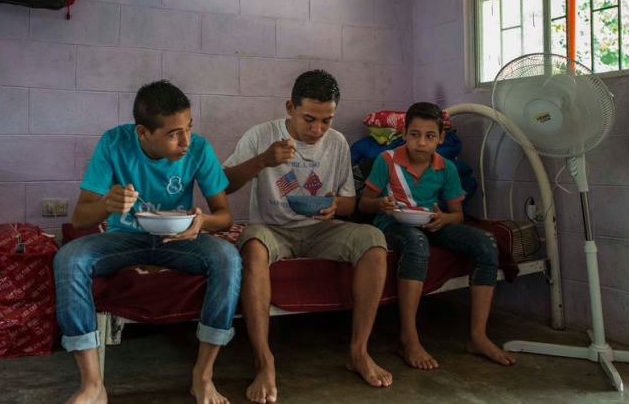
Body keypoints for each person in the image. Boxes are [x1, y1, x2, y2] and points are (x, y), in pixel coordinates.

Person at [54, 80, 241, 404]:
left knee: (227, 257)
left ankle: (203, 375)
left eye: (189, 128)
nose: (186, 141)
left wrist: (202, 222)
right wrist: (107, 205)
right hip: (124, 238)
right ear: (143, 132)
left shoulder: (199, 149)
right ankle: (93, 385)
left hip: (179, 239)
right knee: (69, 259)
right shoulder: (113, 143)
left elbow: (224, 217)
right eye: (173, 133)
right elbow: (80, 219)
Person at [223, 70, 392, 404]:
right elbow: (223, 184)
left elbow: (348, 202)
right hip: (272, 230)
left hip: (320, 229)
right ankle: (264, 360)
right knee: (253, 245)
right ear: (290, 107)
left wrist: (334, 206)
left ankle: (358, 351)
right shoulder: (262, 136)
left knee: (373, 240)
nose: (317, 130)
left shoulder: (338, 142)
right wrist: (262, 160)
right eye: (309, 119)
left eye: (326, 120)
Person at [357, 102, 516, 369]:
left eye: (430, 136)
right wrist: (380, 204)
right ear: (404, 134)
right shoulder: (387, 161)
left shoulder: (447, 168)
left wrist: (443, 218)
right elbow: (364, 203)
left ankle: (477, 336)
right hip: (393, 224)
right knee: (416, 243)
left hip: (432, 223)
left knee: (486, 242)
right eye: (414, 134)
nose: (421, 142)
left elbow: (457, 216)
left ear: (441, 138)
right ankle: (408, 338)